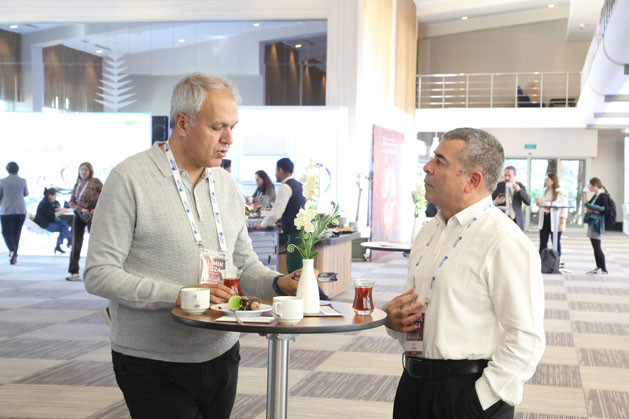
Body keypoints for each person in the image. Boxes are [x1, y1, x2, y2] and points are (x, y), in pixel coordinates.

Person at [83, 73, 300, 419]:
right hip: (153, 359)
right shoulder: (130, 179)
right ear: (183, 123)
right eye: (217, 127)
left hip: (222, 349)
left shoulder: (226, 184)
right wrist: (181, 294)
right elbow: (99, 274)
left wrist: (278, 283)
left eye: (232, 127)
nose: (229, 139)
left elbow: (244, 266)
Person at [384, 128, 545, 419]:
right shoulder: (428, 232)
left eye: (440, 161)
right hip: (413, 385)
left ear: (473, 180)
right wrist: (396, 322)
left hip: (467, 395)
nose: (427, 167)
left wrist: (480, 400)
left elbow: (526, 339)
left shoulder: (504, 241)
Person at [257, 158, 305, 272]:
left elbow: (276, 213)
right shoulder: (300, 185)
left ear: (280, 170)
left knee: (294, 272)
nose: (275, 174)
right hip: (304, 234)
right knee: (301, 271)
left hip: (294, 235)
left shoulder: (285, 187)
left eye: (276, 170)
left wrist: (263, 225)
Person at [66, 162, 103, 281]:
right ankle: (74, 271)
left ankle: (97, 272)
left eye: (86, 170)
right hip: (79, 216)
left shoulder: (96, 182)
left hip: (93, 216)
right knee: (75, 244)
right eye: (81, 169)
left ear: (90, 171)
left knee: (95, 245)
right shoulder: (77, 184)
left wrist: (95, 209)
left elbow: (105, 197)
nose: (83, 172)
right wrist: (80, 209)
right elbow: (71, 202)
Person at [0, 162, 29, 265]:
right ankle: (14, 252)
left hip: (7, 210)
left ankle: (13, 251)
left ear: (7, 170)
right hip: (21, 210)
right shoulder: (23, 181)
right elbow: (26, 193)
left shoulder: (2, 181)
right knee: (17, 232)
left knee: (6, 232)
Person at [535, 173, 567, 257]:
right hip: (545, 218)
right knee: (543, 241)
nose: (546, 181)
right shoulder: (544, 190)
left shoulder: (559, 192)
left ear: (553, 181)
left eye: (548, 179)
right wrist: (538, 202)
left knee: (555, 242)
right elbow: (542, 204)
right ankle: (542, 260)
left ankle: (556, 260)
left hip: (555, 219)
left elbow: (564, 208)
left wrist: (562, 222)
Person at [583, 177, 610, 274]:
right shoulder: (595, 195)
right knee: (595, 246)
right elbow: (587, 205)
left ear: (595, 185)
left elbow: (606, 210)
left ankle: (604, 269)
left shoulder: (602, 196)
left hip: (598, 223)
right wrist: (585, 194)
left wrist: (593, 211)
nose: (589, 187)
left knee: (597, 246)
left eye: (590, 185)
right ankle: (598, 267)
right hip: (593, 223)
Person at [34, 187, 72, 254]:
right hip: (45, 223)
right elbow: (51, 215)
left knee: (64, 223)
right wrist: (61, 212)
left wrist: (58, 210)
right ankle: (68, 239)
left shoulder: (48, 202)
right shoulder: (45, 204)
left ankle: (66, 241)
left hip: (50, 221)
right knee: (63, 228)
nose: (55, 198)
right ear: (50, 195)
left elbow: (51, 213)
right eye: (55, 196)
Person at [492, 166, 531, 230]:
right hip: (501, 220)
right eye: (505, 175)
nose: (506, 178)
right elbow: (489, 202)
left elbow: (528, 202)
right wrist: (495, 202)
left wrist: (519, 190)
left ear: (515, 176)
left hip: (517, 220)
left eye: (509, 176)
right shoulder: (498, 186)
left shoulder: (520, 186)